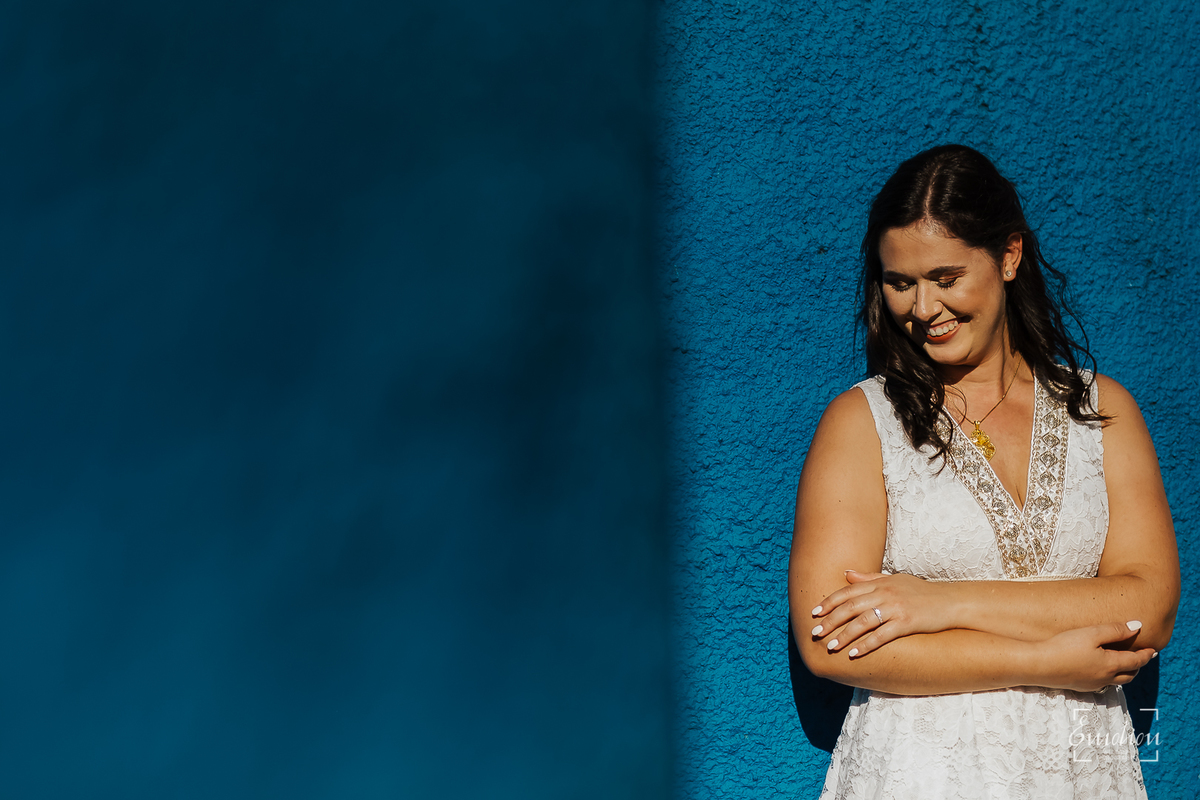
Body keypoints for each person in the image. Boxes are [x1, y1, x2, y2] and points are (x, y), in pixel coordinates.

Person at [788, 144, 1179, 798]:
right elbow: (829, 640)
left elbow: (1147, 609)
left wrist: (937, 603)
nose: (922, 308)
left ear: (1008, 256)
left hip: (1081, 773)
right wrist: (1043, 660)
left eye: (946, 277)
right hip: (921, 774)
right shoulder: (863, 424)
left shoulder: (1105, 413)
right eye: (900, 281)